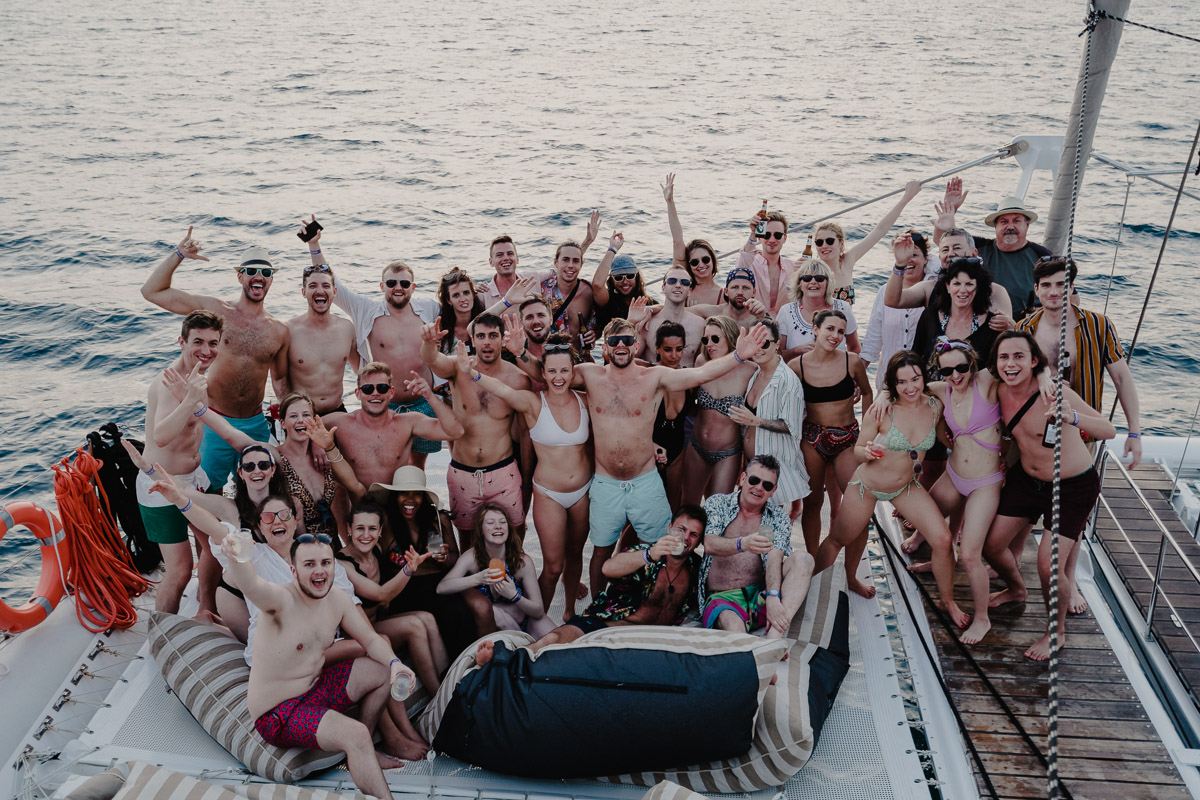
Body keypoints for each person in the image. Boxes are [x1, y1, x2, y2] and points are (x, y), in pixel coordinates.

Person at [550, 316, 768, 594]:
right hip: (606, 484)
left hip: (645, 481)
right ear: (605, 347)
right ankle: (596, 607)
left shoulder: (654, 377)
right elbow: (551, 373)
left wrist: (738, 355)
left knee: (662, 547)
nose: (620, 345)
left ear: (636, 345)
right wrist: (521, 352)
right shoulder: (589, 375)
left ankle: (652, 602)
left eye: (627, 340)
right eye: (614, 341)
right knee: (601, 551)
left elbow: (700, 374)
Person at [222, 530, 427, 797]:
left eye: (325, 563)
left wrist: (395, 664)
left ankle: (364, 750)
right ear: (293, 571)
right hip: (278, 713)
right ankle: (369, 765)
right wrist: (237, 557)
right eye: (309, 564)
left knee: (380, 670)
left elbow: (370, 639)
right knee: (354, 734)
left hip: (315, 690)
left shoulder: (337, 600)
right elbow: (252, 586)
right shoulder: (279, 601)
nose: (319, 571)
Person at [1018, 256, 1143, 614]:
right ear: (1036, 289)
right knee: (1026, 498)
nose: (1054, 291)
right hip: (1035, 430)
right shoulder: (1024, 327)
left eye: (1062, 284)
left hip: (1081, 431)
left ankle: (1069, 580)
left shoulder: (1098, 325)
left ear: (1072, 286)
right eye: (1046, 285)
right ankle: (1018, 566)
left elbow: (1122, 377)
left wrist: (1134, 431)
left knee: (1073, 512)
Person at [983, 331, 1115, 661]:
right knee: (991, 545)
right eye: (1004, 357)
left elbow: (1108, 430)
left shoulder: (1056, 392)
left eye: (1018, 356)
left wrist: (1072, 417)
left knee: (1049, 565)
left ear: (1034, 361)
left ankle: (1056, 633)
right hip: (1027, 480)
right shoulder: (998, 389)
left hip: (1071, 486)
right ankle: (1016, 589)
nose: (1010, 364)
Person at [813, 351, 965, 614]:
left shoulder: (934, 407)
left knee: (942, 539)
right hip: (868, 485)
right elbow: (858, 450)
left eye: (915, 379)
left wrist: (980, 452)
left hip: (905, 487)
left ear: (924, 377)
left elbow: (948, 438)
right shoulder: (883, 409)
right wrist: (868, 452)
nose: (910, 387)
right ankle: (816, 590)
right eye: (901, 382)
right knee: (839, 538)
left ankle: (948, 600)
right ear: (893, 384)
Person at [142, 232, 289, 492]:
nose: (258, 276)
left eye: (265, 272)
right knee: (209, 490)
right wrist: (179, 255)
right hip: (213, 420)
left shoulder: (279, 331)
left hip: (255, 423)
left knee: (263, 490)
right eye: (251, 270)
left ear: (271, 280)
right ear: (240, 276)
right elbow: (152, 292)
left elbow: (280, 382)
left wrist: (289, 422)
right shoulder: (217, 311)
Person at [466, 334, 593, 620]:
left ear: (573, 372)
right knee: (553, 567)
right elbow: (501, 388)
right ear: (542, 373)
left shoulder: (585, 400)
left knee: (576, 556)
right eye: (552, 371)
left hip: (582, 491)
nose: (558, 377)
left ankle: (569, 611)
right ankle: (538, 620)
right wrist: (471, 373)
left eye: (564, 370)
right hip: (549, 493)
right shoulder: (533, 403)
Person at [305, 222, 442, 467]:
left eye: (404, 283)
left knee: (417, 465)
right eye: (391, 283)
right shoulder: (367, 310)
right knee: (387, 463)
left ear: (413, 287)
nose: (398, 288)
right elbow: (335, 286)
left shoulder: (429, 308)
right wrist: (314, 246)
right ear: (382, 286)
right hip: (383, 402)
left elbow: (462, 312)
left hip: (424, 401)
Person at [514, 505, 708, 655]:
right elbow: (608, 568)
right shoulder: (647, 553)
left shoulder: (696, 568)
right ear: (669, 527)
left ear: (699, 541)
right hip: (611, 625)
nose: (685, 538)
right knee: (554, 639)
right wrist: (649, 555)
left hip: (653, 639)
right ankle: (514, 661)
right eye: (681, 529)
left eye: (693, 535)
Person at [134, 310, 223, 615]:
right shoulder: (168, 382)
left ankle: (206, 610)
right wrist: (188, 400)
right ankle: (161, 630)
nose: (206, 350)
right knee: (180, 570)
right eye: (198, 342)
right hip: (161, 485)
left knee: (215, 548)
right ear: (182, 342)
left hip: (193, 479)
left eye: (213, 343)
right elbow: (160, 436)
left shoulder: (197, 377)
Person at [420, 315, 531, 542]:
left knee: (514, 536)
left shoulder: (518, 379)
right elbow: (432, 359)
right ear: (472, 339)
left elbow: (523, 432)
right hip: (463, 472)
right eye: (481, 336)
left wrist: (527, 478)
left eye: (493, 336)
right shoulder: (457, 367)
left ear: (502, 339)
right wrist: (428, 343)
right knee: (468, 539)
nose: (487, 342)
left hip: (503, 471)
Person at [195, 392, 362, 542]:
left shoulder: (322, 457)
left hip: (329, 546)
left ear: (315, 420)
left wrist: (329, 447)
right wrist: (196, 406)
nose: (300, 420)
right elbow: (230, 434)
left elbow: (354, 485)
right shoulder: (275, 457)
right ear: (282, 423)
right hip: (294, 548)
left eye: (306, 415)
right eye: (293, 416)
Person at [369, 466, 485, 654]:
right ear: (395, 496)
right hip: (403, 588)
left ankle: (465, 663)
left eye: (416, 494)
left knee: (457, 613)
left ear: (424, 497)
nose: (410, 499)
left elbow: (454, 559)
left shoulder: (438, 519)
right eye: (403, 494)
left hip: (437, 584)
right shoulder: (386, 523)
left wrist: (444, 558)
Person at [337, 501, 448, 695]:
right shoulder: (342, 564)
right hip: (359, 635)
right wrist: (408, 569)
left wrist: (435, 555)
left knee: (427, 618)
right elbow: (381, 594)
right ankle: (438, 695)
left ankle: (448, 681)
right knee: (414, 625)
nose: (366, 535)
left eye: (372, 529)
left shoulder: (377, 550)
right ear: (348, 529)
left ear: (380, 530)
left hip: (378, 621)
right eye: (360, 528)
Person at [698, 456, 814, 638]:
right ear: (743, 478)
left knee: (804, 559)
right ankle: (755, 644)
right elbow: (710, 544)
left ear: (773, 491)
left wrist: (773, 596)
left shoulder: (778, 517)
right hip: (724, 597)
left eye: (767, 485)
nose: (759, 488)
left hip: (760, 595)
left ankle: (774, 636)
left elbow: (774, 558)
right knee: (735, 631)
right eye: (754, 480)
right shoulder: (719, 503)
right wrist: (742, 544)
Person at [786, 311, 873, 553]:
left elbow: (867, 392)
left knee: (857, 502)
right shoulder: (796, 367)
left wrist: (867, 434)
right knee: (813, 502)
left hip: (847, 438)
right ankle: (812, 559)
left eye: (841, 331)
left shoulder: (851, 361)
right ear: (815, 329)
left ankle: (851, 570)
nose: (835, 335)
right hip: (813, 438)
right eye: (830, 329)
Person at [322, 363, 464, 495]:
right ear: (358, 393)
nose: (375, 393)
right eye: (368, 389)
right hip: (356, 505)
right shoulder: (340, 423)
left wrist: (430, 396)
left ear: (391, 392)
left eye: (382, 388)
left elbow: (455, 432)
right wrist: (319, 447)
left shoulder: (407, 422)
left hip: (392, 504)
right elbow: (310, 427)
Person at [933, 178, 1051, 320]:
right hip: (976, 323)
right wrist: (949, 212)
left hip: (1022, 326)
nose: (1010, 226)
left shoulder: (1041, 255)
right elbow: (942, 242)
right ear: (995, 226)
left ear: (1027, 225)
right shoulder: (979, 246)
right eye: (1004, 222)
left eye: (1016, 221)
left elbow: (1066, 294)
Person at [730, 318, 810, 516]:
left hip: (772, 472)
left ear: (777, 345)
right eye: (755, 342)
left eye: (765, 343)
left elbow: (791, 427)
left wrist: (755, 421)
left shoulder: (787, 382)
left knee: (767, 525)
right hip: (751, 467)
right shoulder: (756, 373)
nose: (758, 348)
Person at [437, 504, 555, 637]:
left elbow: (538, 611)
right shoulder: (472, 557)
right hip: (494, 626)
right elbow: (442, 587)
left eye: (502, 522)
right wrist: (477, 578)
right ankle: (522, 646)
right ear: (481, 530)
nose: (498, 526)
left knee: (556, 638)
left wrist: (514, 596)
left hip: (525, 617)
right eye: (490, 522)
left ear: (508, 528)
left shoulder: (522, 561)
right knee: (497, 614)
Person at [680, 315, 758, 506]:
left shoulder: (750, 370)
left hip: (728, 453)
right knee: (688, 506)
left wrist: (749, 459)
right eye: (706, 339)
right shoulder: (702, 362)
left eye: (715, 339)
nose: (709, 344)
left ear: (730, 338)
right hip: (697, 447)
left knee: (717, 510)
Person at [284, 221, 359, 414]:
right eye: (312, 286)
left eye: (326, 286)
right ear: (303, 292)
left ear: (334, 292)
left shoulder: (347, 328)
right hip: (303, 415)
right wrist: (288, 414)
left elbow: (361, 370)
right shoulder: (289, 330)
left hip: (338, 411)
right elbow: (279, 379)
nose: (320, 291)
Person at [810, 180, 923, 305]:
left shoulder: (847, 261)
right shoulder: (813, 272)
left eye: (829, 241)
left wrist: (906, 198)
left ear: (841, 244)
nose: (824, 245)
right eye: (819, 242)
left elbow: (880, 230)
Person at [861, 242, 926, 390]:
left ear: (926, 259)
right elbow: (873, 337)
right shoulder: (884, 291)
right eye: (904, 255)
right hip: (889, 379)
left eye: (914, 255)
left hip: (922, 380)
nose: (909, 260)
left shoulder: (932, 290)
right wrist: (857, 376)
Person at [775, 259, 860, 361]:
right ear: (799, 284)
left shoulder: (843, 308)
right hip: (795, 370)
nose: (813, 282)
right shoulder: (786, 312)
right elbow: (776, 355)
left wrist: (844, 367)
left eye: (819, 278)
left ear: (828, 283)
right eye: (807, 278)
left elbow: (855, 348)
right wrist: (796, 351)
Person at [651, 322, 696, 511]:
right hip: (648, 450)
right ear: (657, 349)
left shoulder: (689, 380)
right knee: (646, 510)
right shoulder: (648, 378)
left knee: (673, 506)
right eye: (668, 349)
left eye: (679, 349)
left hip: (677, 450)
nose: (674, 355)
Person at [662, 173, 724, 306]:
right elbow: (677, 240)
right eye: (694, 262)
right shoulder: (683, 287)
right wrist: (670, 202)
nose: (701, 265)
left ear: (713, 259)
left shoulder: (723, 294)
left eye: (705, 259)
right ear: (689, 266)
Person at [539, 212, 601, 341]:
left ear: (581, 264)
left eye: (576, 261)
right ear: (556, 263)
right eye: (565, 260)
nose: (571, 265)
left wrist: (596, 333)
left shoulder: (589, 291)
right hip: (548, 352)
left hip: (579, 352)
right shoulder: (542, 289)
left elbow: (602, 320)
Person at [634, 263, 706, 367]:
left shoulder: (700, 325)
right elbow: (630, 358)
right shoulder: (647, 324)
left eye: (684, 282)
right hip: (656, 376)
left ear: (690, 291)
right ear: (663, 287)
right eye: (672, 281)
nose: (678, 285)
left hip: (687, 377)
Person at [590, 233, 658, 335]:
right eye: (618, 277)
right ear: (612, 280)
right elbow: (597, 285)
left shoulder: (649, 303)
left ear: (637, 277)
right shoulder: (608, 301)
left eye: (630, 276)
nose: (625, 282)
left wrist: (653, 309)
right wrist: (612, 249)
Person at [737, 209, 796, 313]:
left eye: (777, 235)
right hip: (754, 320)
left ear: (785, 238)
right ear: (760, 237)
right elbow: (740, 269)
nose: (772, 240)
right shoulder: (750, 263)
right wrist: (753, 233)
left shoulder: (793, 268)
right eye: (767, 235)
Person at [687, 268, 770, 331]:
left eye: (745, 288)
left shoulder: (758, 317)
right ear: (726, 291)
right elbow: (681, 313)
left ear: (754, 292)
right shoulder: (715, 312)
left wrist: (763, 318)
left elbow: (775, 340)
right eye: (735, 287)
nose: (740, 292)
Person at [435, 267, 485, 355]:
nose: (463, 299)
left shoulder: (485, 321)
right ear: (449, 300)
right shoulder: (442, 329)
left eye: (466, 293)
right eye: (456, 295)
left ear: (473, 294)